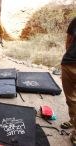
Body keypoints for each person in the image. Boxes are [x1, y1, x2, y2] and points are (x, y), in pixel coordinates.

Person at [61, 17, 76, 145]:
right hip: (70, 63)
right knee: (71, 99)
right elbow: (69, 40)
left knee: (72, 100)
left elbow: (69, 41)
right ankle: (73, 120)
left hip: (70, 63)